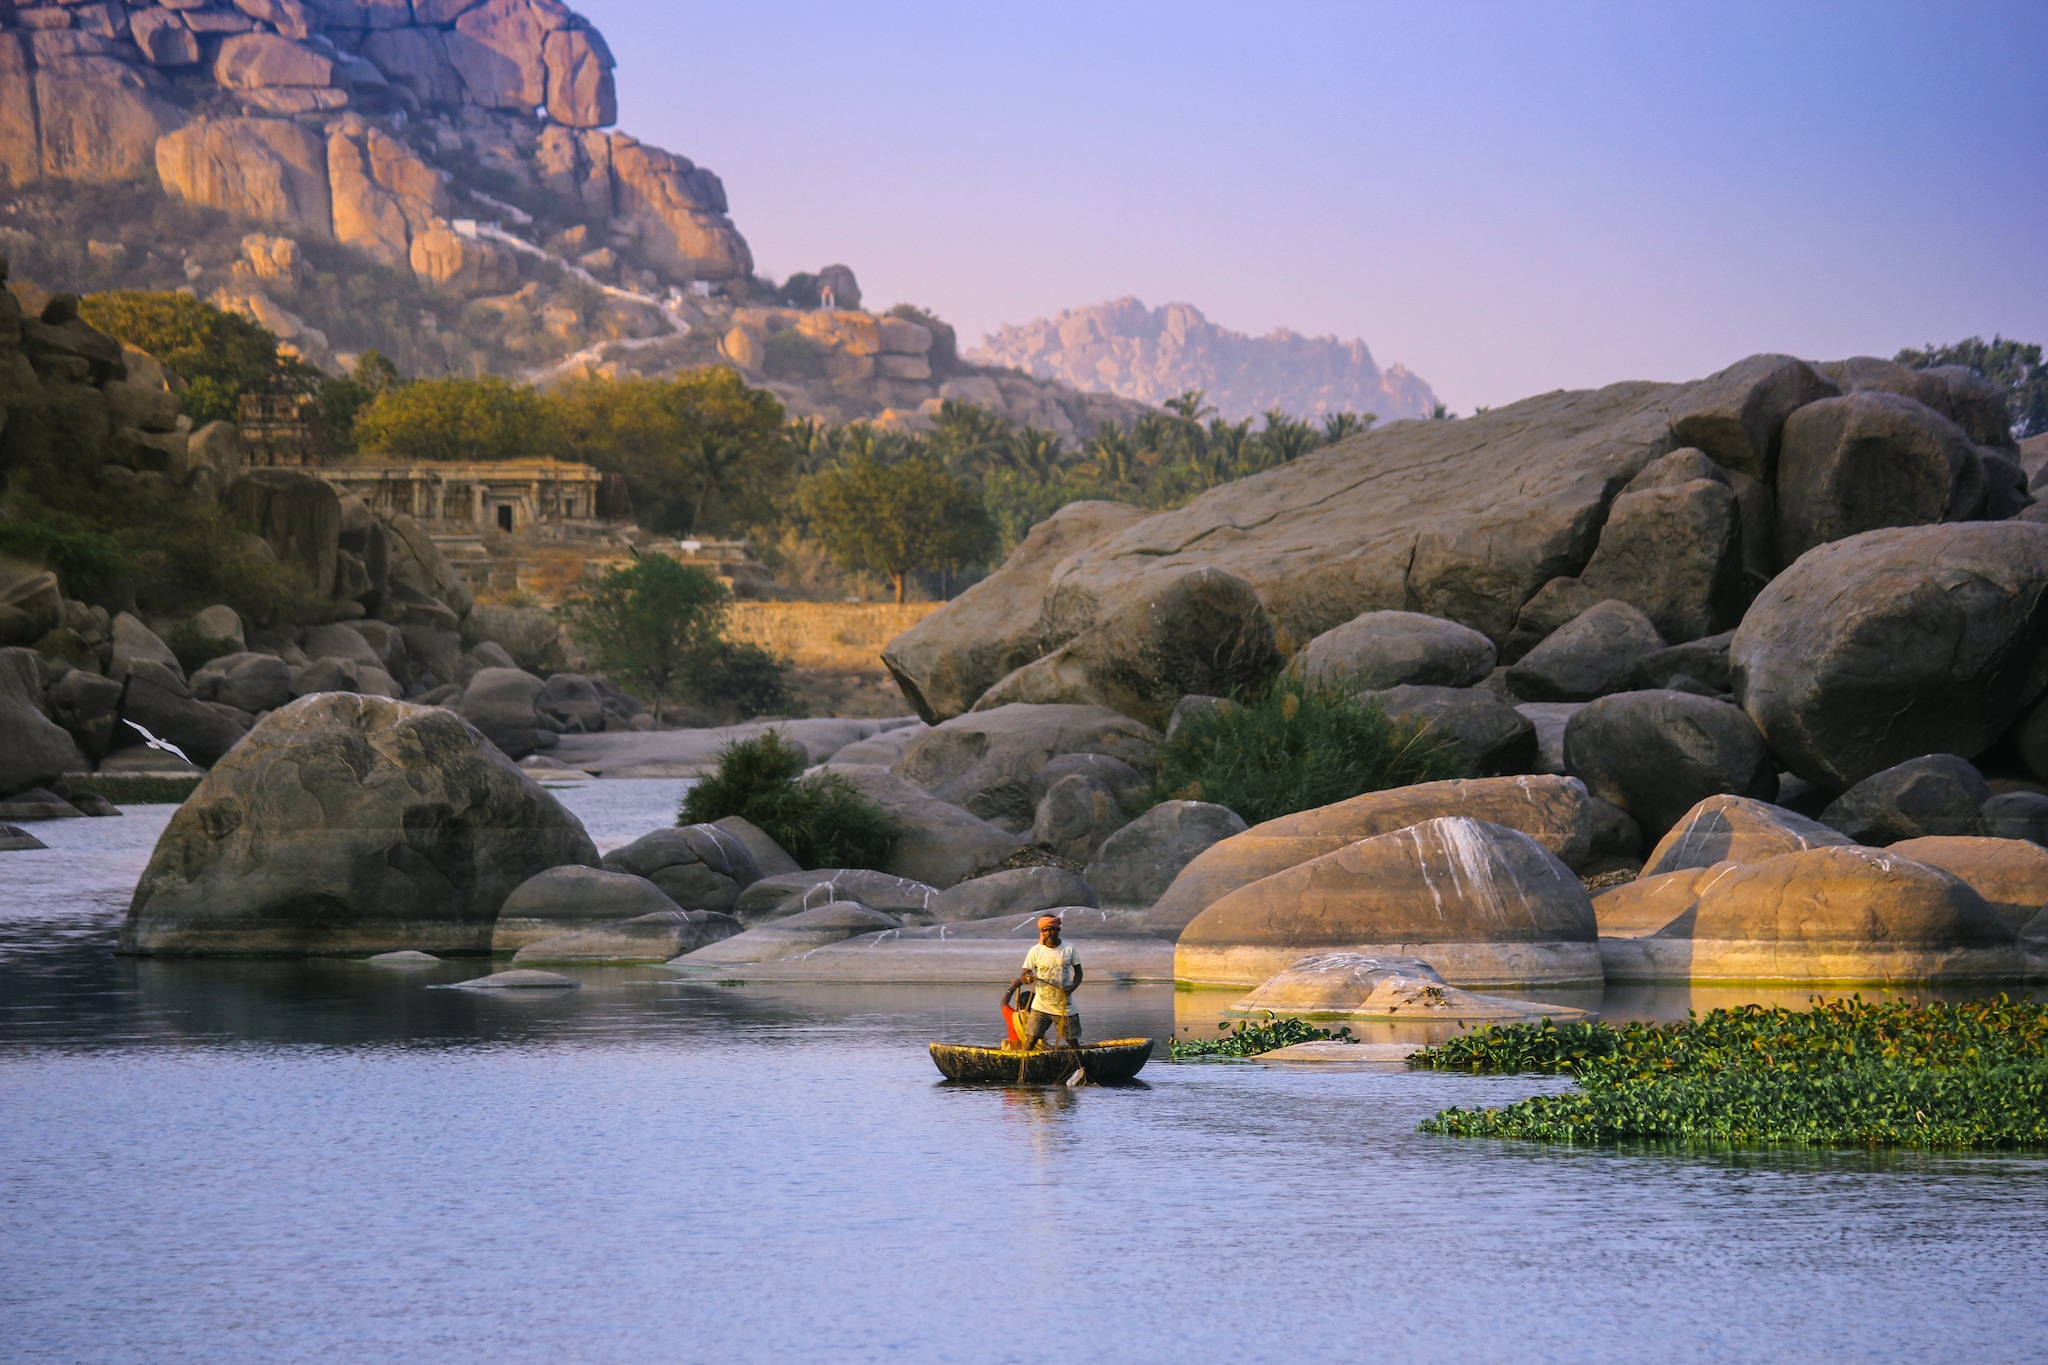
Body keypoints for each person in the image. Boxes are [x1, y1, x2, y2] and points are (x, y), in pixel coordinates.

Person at [1012, 914, 1082, 1049]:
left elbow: (1079, 973)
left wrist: (1072, 988)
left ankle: (1080, 1067)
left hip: (1065, 1006)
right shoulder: (1035, 951)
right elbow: (1025, 973)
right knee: (1031, 1039)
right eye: (1045, 930)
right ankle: (1024, 1067)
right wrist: (1026, 978)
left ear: (1058, 930)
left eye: (1052, 930)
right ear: (1041, 932)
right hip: (1041, 1005)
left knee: (1072, 1042)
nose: (1049, 933)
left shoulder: (1069, 948)